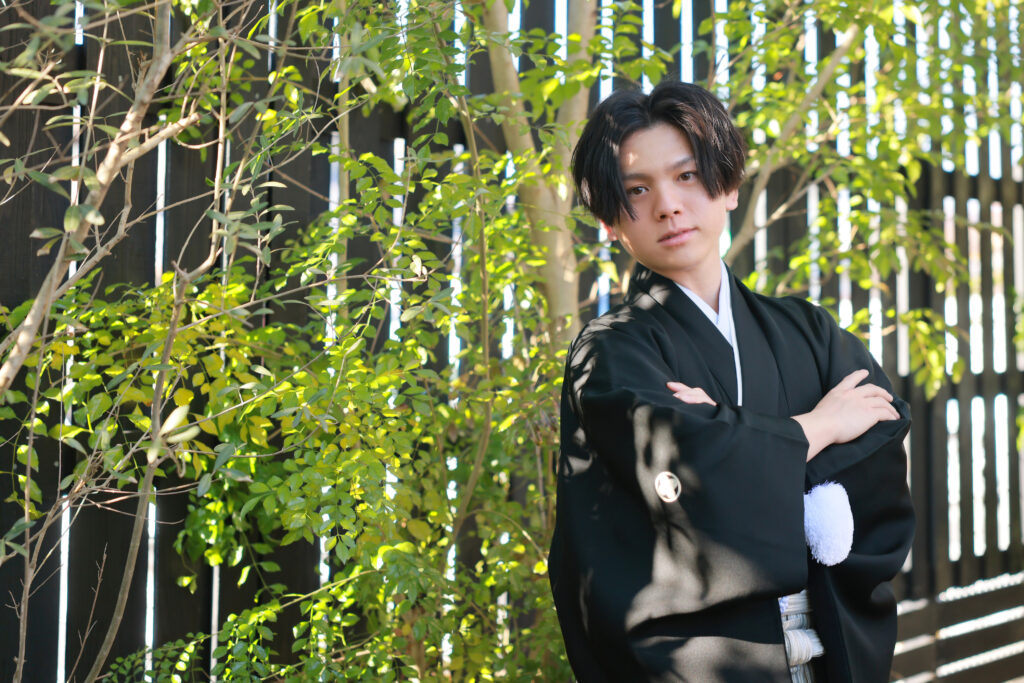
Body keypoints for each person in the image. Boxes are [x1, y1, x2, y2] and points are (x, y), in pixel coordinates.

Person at [548, 81, 915, 682]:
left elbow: (880, 441)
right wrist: (816, 428)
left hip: (827, 653)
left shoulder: (809, 331)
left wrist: (731, 436)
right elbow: (683, 468)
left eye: (687, 176)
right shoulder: (612, 351)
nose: (668, 205)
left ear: (729, 186)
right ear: (612, 222)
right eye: (638, 190)